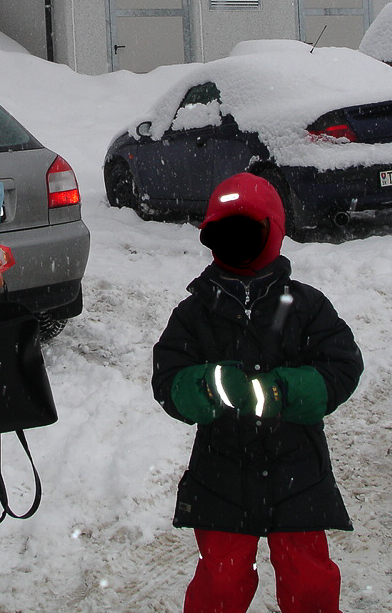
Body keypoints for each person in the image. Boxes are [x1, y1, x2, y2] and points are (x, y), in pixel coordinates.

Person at [152, 172, 364, 613]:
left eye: (247, 229)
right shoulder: (195, 312)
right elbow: (169, 378)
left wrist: (285, 390)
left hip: (298, 468)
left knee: (308, 580)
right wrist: (210, 387)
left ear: (274, 231)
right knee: (221, 582)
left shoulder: (305, 306)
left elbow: (342, 365)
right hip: (221, 470)